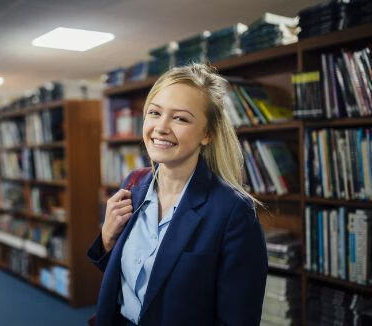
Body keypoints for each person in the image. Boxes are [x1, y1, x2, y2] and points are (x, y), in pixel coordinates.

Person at [88, 63, 268, 326]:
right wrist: (107, 240)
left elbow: (238, 318)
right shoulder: (133, 184)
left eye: (180, 118)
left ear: (207, 134)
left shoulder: (234, 212)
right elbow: (129, 281)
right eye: (154, 113)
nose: (161, 127)